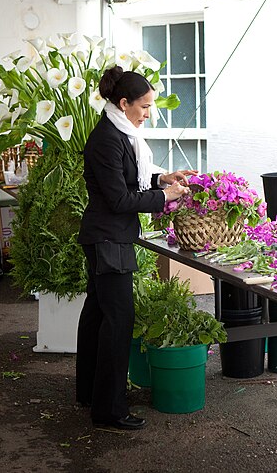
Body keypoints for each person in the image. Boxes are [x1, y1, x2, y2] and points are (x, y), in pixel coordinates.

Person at [77, 66, 195, 430]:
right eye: (144, 107)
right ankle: (109, 411)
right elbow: (118, 199)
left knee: (97, 315)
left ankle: (89, 394)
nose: (149, 114)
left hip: (108, 236)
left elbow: (129, 178)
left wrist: (162, 178)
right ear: (124, 103)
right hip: (108, 237)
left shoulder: (120, 131)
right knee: (118, 320)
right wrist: (164, 197)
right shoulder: (107, 139)